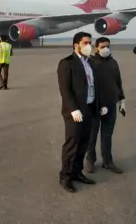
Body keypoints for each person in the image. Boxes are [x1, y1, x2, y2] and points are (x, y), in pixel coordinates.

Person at [57, 31, 108, 193]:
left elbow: (94, 85)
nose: (89, 46)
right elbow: (65, 90)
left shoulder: (90, 62)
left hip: (90, 108)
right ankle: (65, 176)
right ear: (76, 45)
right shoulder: (67, 63)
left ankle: (77, 172)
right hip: (75, 112)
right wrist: (73, 109)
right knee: (72, 144)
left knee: (84, 143)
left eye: (90, 43)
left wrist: (100, 104)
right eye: (85, 43)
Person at [85, 37, 125, 174]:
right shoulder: (90, 63)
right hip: (95, 106)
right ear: (96, 48)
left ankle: (108, 161)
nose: (106, 49)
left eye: (108, 46)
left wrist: (122, 99)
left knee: (107, 134)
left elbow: (118, 82)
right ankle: (90, 160)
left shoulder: (113, 63)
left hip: (111, 104)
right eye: (102, 47)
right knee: (92, 134)